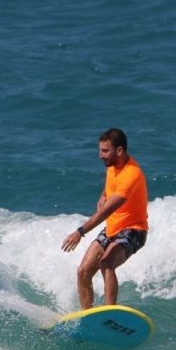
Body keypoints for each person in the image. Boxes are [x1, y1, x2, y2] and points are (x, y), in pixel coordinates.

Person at [61, 128, 149, 309]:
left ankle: (110, 313)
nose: (100, 155)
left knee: (106, 263)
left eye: (105, 151)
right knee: (83, 271)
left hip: (134, 230)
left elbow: (104, 213)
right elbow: (112, 185)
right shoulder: (113, 165)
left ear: (119, 150)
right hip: (113, 227)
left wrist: (80, 232)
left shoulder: (132, 174)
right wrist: (104, 194)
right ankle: (88, 315)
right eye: (100, 150)